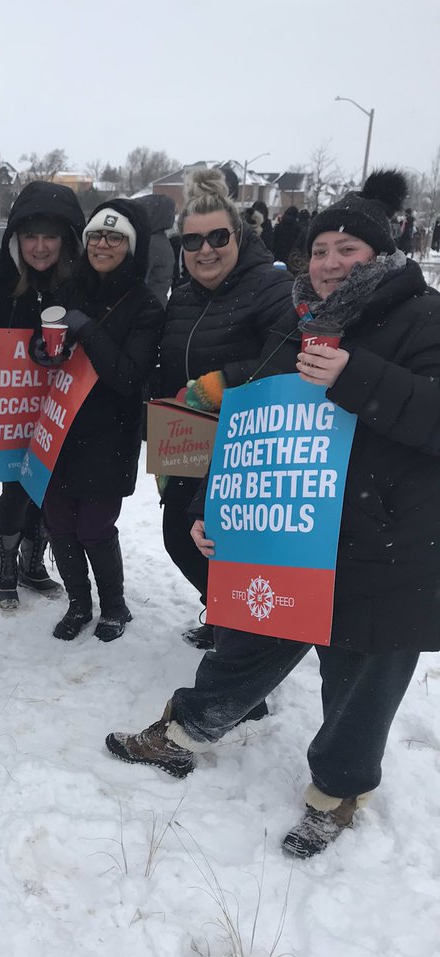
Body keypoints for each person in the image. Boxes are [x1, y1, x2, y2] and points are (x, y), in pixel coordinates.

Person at [105, 178, 440, 858]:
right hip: (296, 529)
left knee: (359, 681)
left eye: (348, 248)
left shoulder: (424, 318)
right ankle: (185, 732)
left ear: (381, 254)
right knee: (247, 640)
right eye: (320, 249)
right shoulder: (304, 319)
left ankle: (336, 794)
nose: (329, 262)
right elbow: (253, 425)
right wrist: (212, 507)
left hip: (386, 544)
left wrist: (352, 376)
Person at [156, 167, 294, 648]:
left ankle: (241, 652)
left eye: (217, 236)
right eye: (192, 242)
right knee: (180, 537)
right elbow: (172, 361)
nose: (205, 250)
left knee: (224, 546)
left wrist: (220, 384)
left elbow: (288, 356)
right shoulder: (184, 297)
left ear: (238, 235)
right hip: (189, 436)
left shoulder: (272, 286)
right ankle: (225, 616)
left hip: (245, 443)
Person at [40, 200, 164, 641]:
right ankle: (78, 604)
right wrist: (44, 351)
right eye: (96, 235)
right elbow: (50, 344)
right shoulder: (70, 289)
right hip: (60, 429)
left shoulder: (147, 305)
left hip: (109, 434)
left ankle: (115, 604)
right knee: (59, 524)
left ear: (130, 247)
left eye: (114, 237)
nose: (102, 244)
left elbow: (129, 378)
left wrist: (87, 329)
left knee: (94, 528)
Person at [0, 181, 85, 608]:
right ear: (16, 238)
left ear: (65, 240)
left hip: (57, 406)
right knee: (15, 490)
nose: (40, 247)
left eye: (50, 237)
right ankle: (5, 562)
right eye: (30, 236)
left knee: (47, 488)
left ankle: (32, 561)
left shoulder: (76, 282)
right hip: (8, 407)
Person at [136, 193, 176, 307]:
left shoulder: (151, 244)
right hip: (157, 303)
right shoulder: (160, 239)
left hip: (146, 307)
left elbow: (139, 281)